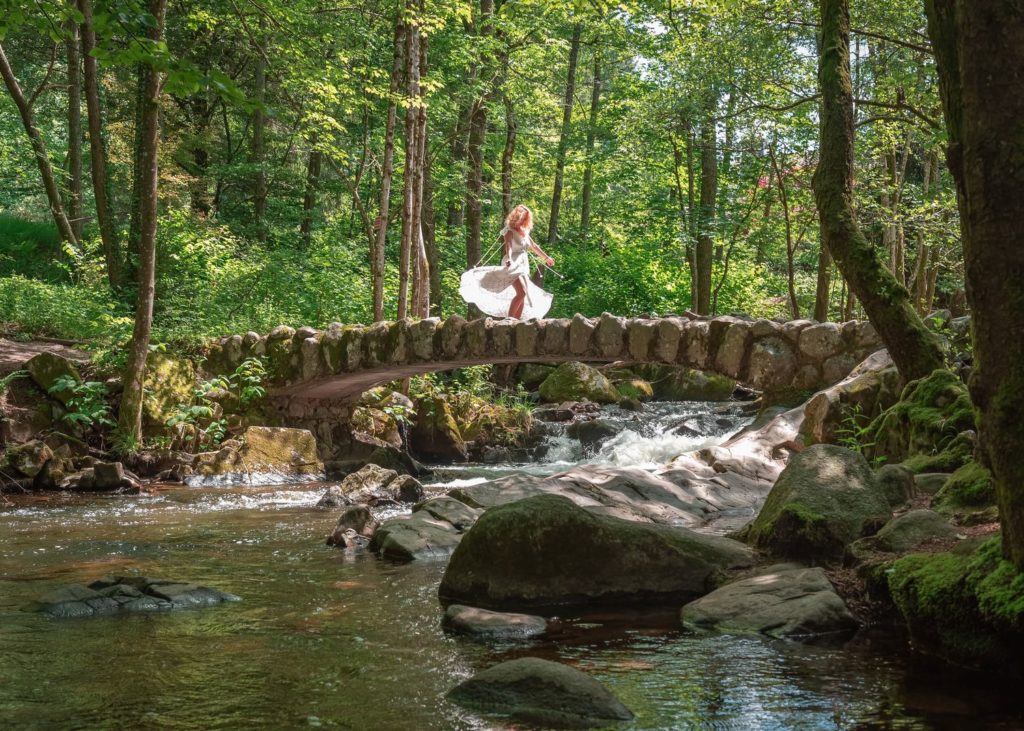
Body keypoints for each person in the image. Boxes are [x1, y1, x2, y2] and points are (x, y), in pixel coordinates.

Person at [459, 204, 556, 319]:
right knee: (522, 292)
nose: (525, 220)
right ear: (517, 217)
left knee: (523, 295)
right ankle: (510, 320)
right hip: (513, 263)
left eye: (526, 218)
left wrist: (546, 258)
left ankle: (516, 322)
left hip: (523, 264)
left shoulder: (525, 232)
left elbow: (534, 246)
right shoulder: (509, 230)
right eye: (523, 218)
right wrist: (509, 258)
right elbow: (508, 246)